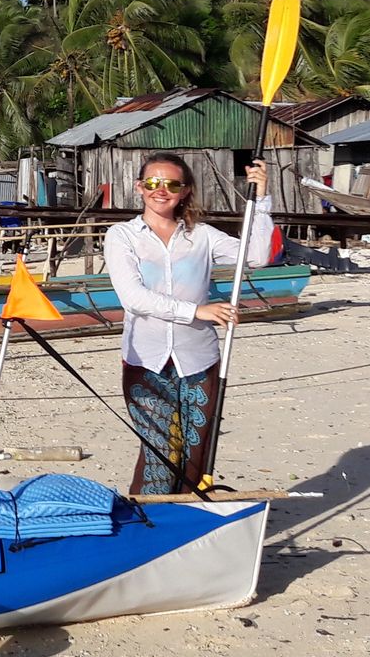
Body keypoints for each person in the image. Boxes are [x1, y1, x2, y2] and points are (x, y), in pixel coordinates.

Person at [103, 154, 273, 495]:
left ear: (185, 191)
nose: (161, 191)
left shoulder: (204, 236)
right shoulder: (122, 236)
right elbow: (134, 298)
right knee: (159, 451)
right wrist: (197, 311)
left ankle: (188, 522)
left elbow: (256, 256)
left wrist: (262, 198)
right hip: (145, 360)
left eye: (171, 184)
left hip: (199, 358)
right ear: (139, 187)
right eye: (153, 183)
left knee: (196, 451)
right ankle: (149, 523)